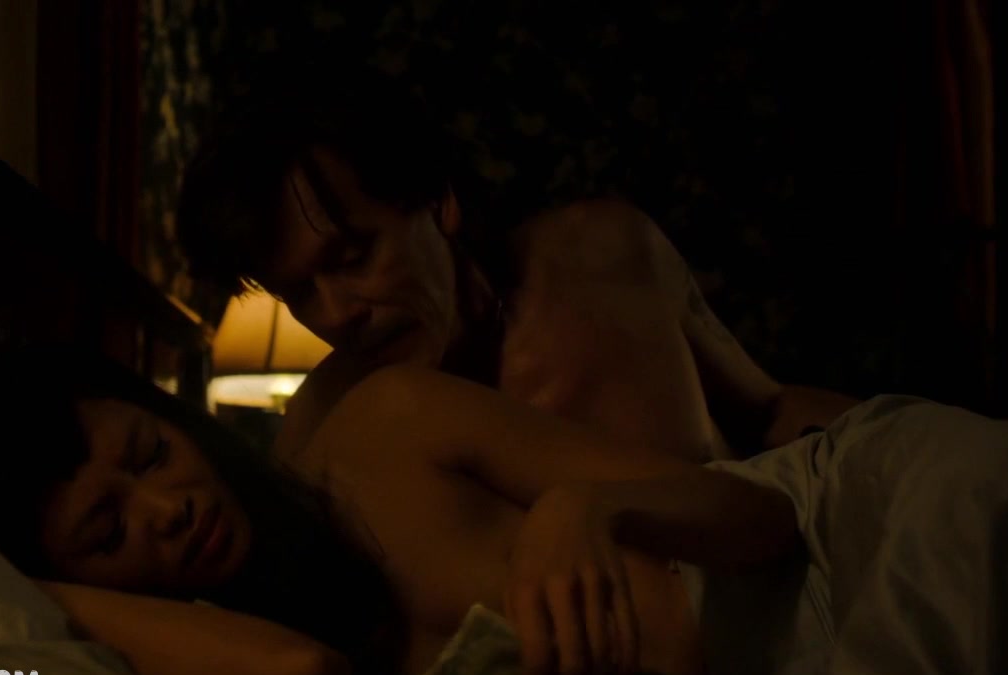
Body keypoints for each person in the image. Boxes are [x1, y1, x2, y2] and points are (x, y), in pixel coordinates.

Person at [0, 346, 1008, 675]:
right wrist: (38, 593)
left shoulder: (382, 430)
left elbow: (760, 514)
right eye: (107, 529)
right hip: (810, 669)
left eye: (150, 457)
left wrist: (586, 509)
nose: (167, 509)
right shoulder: (191, 663)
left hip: (845, 523)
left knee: (994, 501)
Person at [176, 64, 859, 464]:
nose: (336, 315)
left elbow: (771, 409)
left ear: (437, 201)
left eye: (355, 258)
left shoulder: (600, 254)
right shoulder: (326, 430)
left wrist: (901, 450)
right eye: (299, 294)